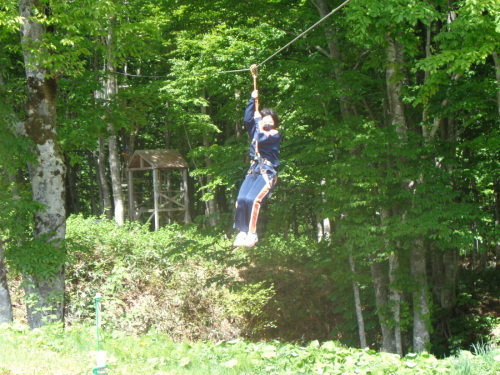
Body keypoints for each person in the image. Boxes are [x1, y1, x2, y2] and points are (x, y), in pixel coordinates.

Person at [233, 89, 281, 247]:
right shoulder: (257, 129)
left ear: (274, 123)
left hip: (266, 172)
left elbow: (260, 137)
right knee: (241, 199)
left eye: (269, 121)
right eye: (264, 120)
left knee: (253, 200)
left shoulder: (274, 134)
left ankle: (252, 233)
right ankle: (242, 231)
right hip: (254, 170)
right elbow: (248, 121)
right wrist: (252, 101)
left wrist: (259, 120)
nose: (266, 123)